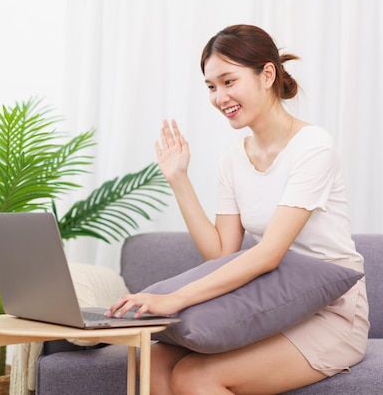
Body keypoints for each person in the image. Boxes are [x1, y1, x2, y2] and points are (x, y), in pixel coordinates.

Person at [106, 24, 369, 394]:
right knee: (149, 362)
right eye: (211, 87)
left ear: (267, 74)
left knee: (195, 376)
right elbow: (222, 253)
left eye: (229, 81)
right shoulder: (234, 159)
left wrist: (175, 299)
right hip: (273, 303)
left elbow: (268, 255)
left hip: (330, 312)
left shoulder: (313, 147)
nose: (219, 97)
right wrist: (179, 179)